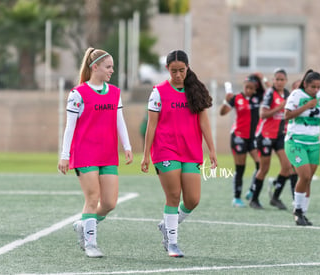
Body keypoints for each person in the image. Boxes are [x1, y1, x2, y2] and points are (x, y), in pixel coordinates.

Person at [141, 50, 217, 257]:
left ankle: (167, 224)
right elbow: (152, 124)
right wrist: (146, 154)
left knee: (192, 200)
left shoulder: (196, 91)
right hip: (166, 149)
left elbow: (204, 122)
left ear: (187, 68)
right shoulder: (158, 92)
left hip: (191, 151)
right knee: (173, 195)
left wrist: (211, 149)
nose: (177, 75)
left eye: (181, 70)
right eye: (173, 71)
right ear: (167, 69)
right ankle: (172, 242)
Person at [57, 47, 133, 258]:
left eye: (113, 67)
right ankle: (91, 243)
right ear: (95, 67)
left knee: (109, 203)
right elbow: (70, 127)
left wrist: (126, 146)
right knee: (92, 198)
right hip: (84, 153)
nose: (111, 70)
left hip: (108, 153)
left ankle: (83, 224)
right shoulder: (77, 94)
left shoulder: (115, 92)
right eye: (108, 67)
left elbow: (120, 121)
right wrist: (64, 155)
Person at [284, 70, 320, 226]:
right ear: (305, 85)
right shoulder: (297, 95)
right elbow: (287, 115)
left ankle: (303, 213)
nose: (316, 90)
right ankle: (298, 211)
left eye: (318, 87)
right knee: (305, 175)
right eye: (313, 87)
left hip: (313, 142)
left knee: (308, 180)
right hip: (295, 141)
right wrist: (307, 106)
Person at [249, 68, 292, 210]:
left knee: (287, 167)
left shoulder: (287, 94)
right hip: (265, 135)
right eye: (277, 79)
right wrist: (279, 108)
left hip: (280, 135)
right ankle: (254, 198)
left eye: (282, 79)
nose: (279, 82)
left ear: (286, 81)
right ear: (273, 80)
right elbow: (263, 114)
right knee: (264, 168)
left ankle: (275, 197)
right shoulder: (269, 93)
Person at [219, 74, 265, 207]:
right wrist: (226, 101)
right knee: (240, 168)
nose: (249, 90)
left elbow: (267, 91)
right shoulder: (236, 98)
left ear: (255, 89)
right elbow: (222, 112)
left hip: (253, 138)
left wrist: (261, 78)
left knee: (260, 165)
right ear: (243, 87)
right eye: (247, 88)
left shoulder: (257, 98)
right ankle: (237, 197)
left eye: (252, 88)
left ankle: (252, 190)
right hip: (238, 136)